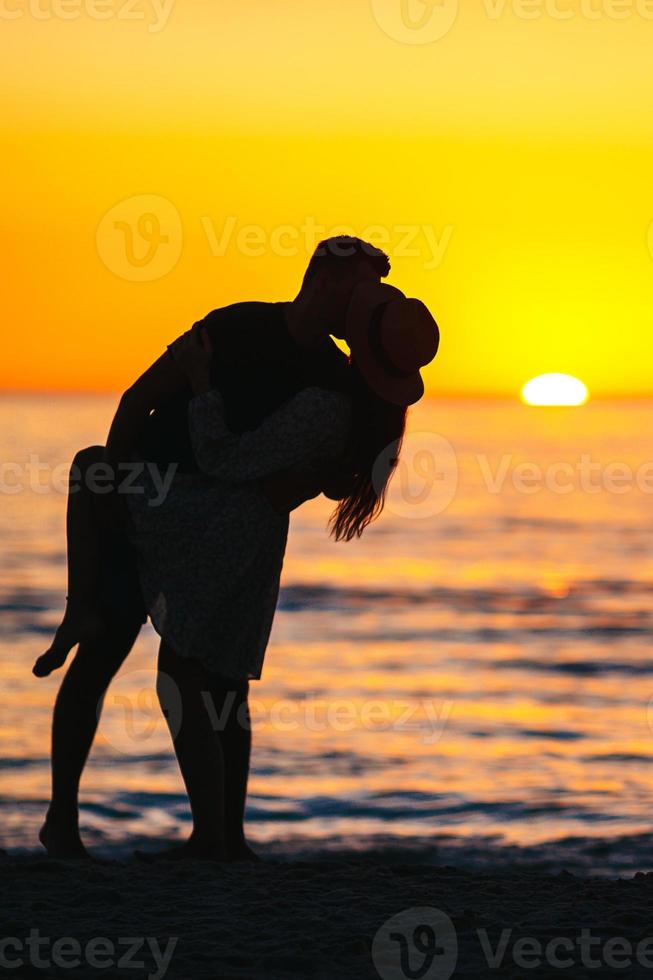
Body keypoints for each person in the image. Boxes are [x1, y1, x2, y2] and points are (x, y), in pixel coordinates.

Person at [33, 237, 440, 860]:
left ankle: (223, 837)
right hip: (149, 508)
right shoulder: (238, 324)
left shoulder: (333, 377)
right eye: (361, 289)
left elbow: (319, 475)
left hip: (212, 532)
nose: (364, 305)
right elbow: (136, 398)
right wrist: (117, 483)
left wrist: (290, 487)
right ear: (326, 281)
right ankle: (66, 821)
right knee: (102, 654)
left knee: (220, 686)